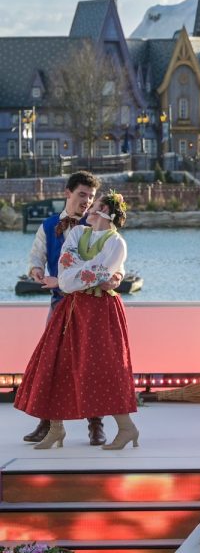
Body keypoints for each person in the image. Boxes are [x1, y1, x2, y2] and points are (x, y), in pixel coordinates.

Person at [16, 191, 139, 450]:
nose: (91, 209)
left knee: (103, 367)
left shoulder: (116, 242)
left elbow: (101, 271)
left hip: (101, 311)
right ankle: (56, 429)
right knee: (57, 363)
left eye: (97, 205)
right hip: (73, 307)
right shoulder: (76, 234)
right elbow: (67, 267)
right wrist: (79, 278)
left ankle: (126, 428)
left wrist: (81, 277)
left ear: (108, 213)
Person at [23, 170, 108, 446]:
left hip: (89, 305)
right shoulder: (48, 225)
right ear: (67, 193)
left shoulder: (97, 225)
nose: (86, 201)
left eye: (91, 197)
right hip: (59, 304)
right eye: (82, 194)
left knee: (91, 364)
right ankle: (47, 424)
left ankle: (96, 424)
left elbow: (109, 260)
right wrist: (36, 269)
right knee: (52, 365)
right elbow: (37, 255)